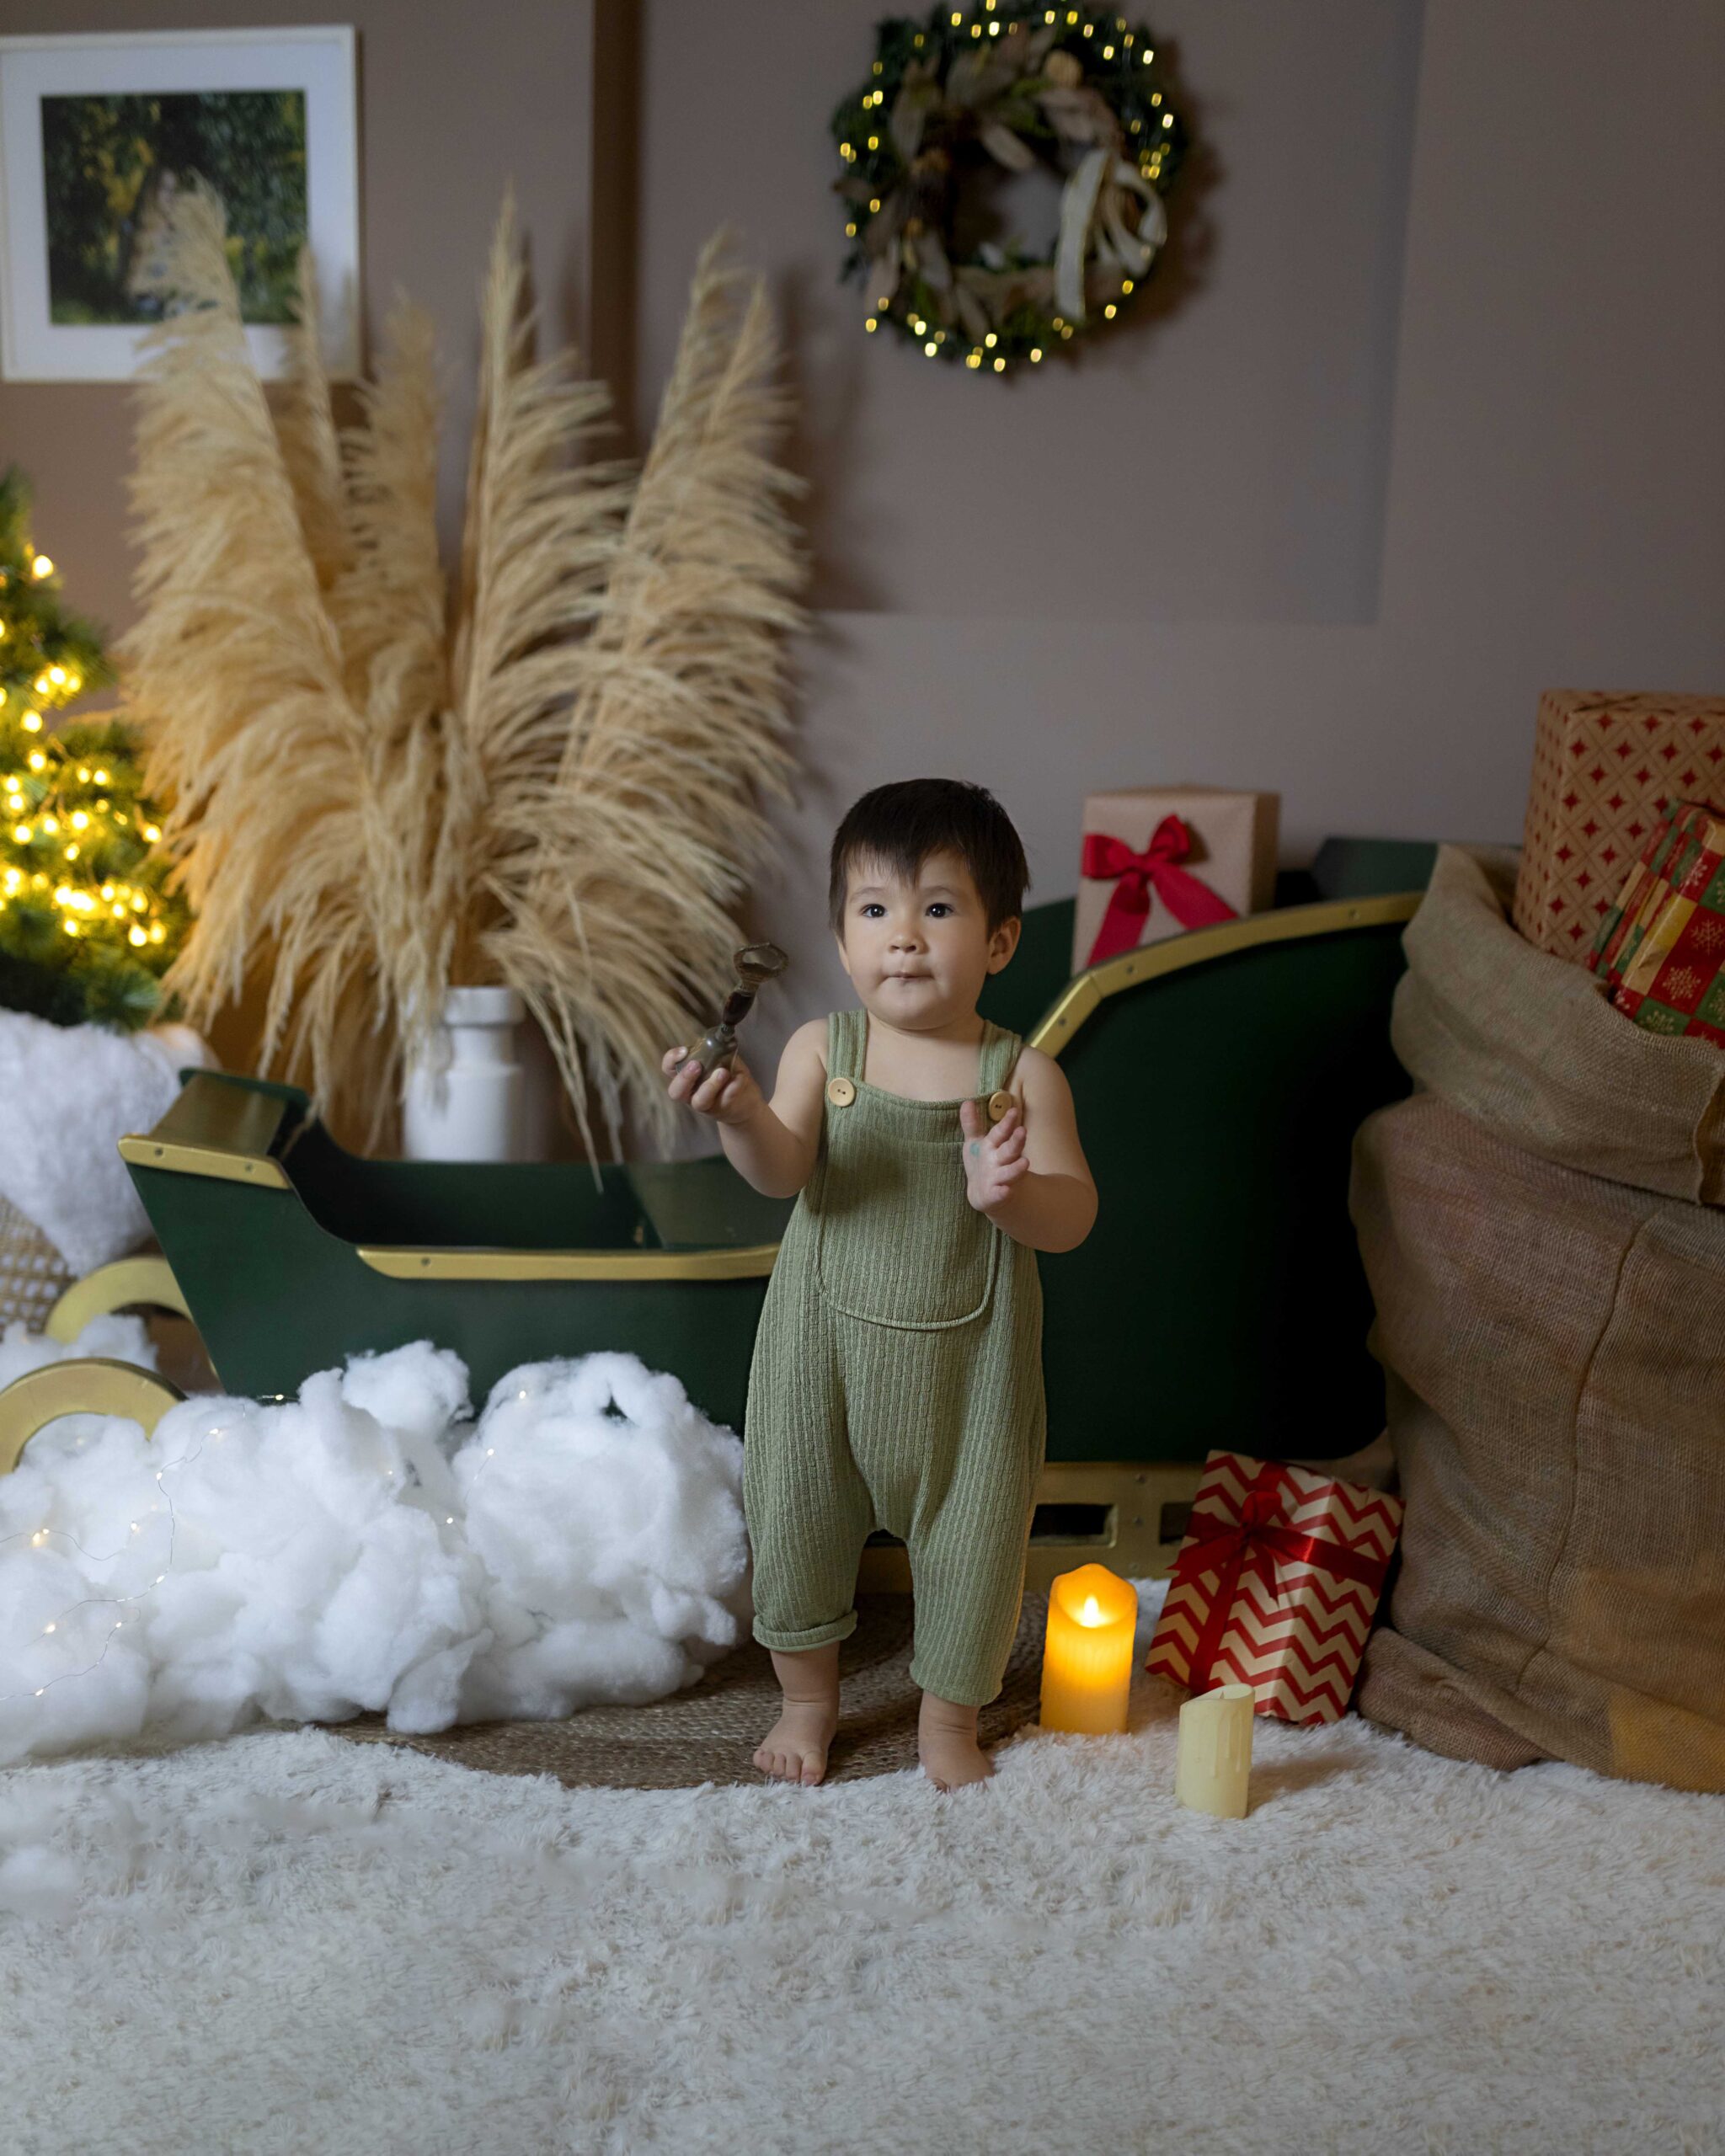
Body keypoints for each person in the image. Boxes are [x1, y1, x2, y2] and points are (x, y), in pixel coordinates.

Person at [663, 777, 1097, 1790]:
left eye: (936, 908)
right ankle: (807, 1704)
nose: (902, 936)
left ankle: (947, 1720)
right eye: (873, 909)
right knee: (797, 1522)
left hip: (971, 1375)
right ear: (839, 937)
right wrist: (740, 1118)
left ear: (998, 941)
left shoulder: (1022, 1077)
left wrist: (1010, 1194)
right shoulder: (824, 1050)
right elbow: (782, 1170)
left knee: (974, 1542)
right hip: (821, 1355)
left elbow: (1073, 1215)